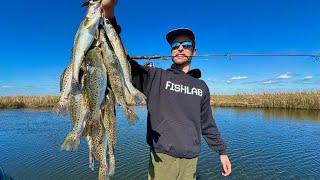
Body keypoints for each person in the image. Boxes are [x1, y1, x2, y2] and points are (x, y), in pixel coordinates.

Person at [84, 0, 232, 179]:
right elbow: (120, 60)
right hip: (162, 158)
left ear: (194, 51)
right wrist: (109, 13)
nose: (180, 48)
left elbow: (207, 123)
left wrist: (221, 151)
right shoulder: (155, 77)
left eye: (186, 44)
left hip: (191, 160)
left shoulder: (201, 87)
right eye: (175, 45)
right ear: (171, 51)